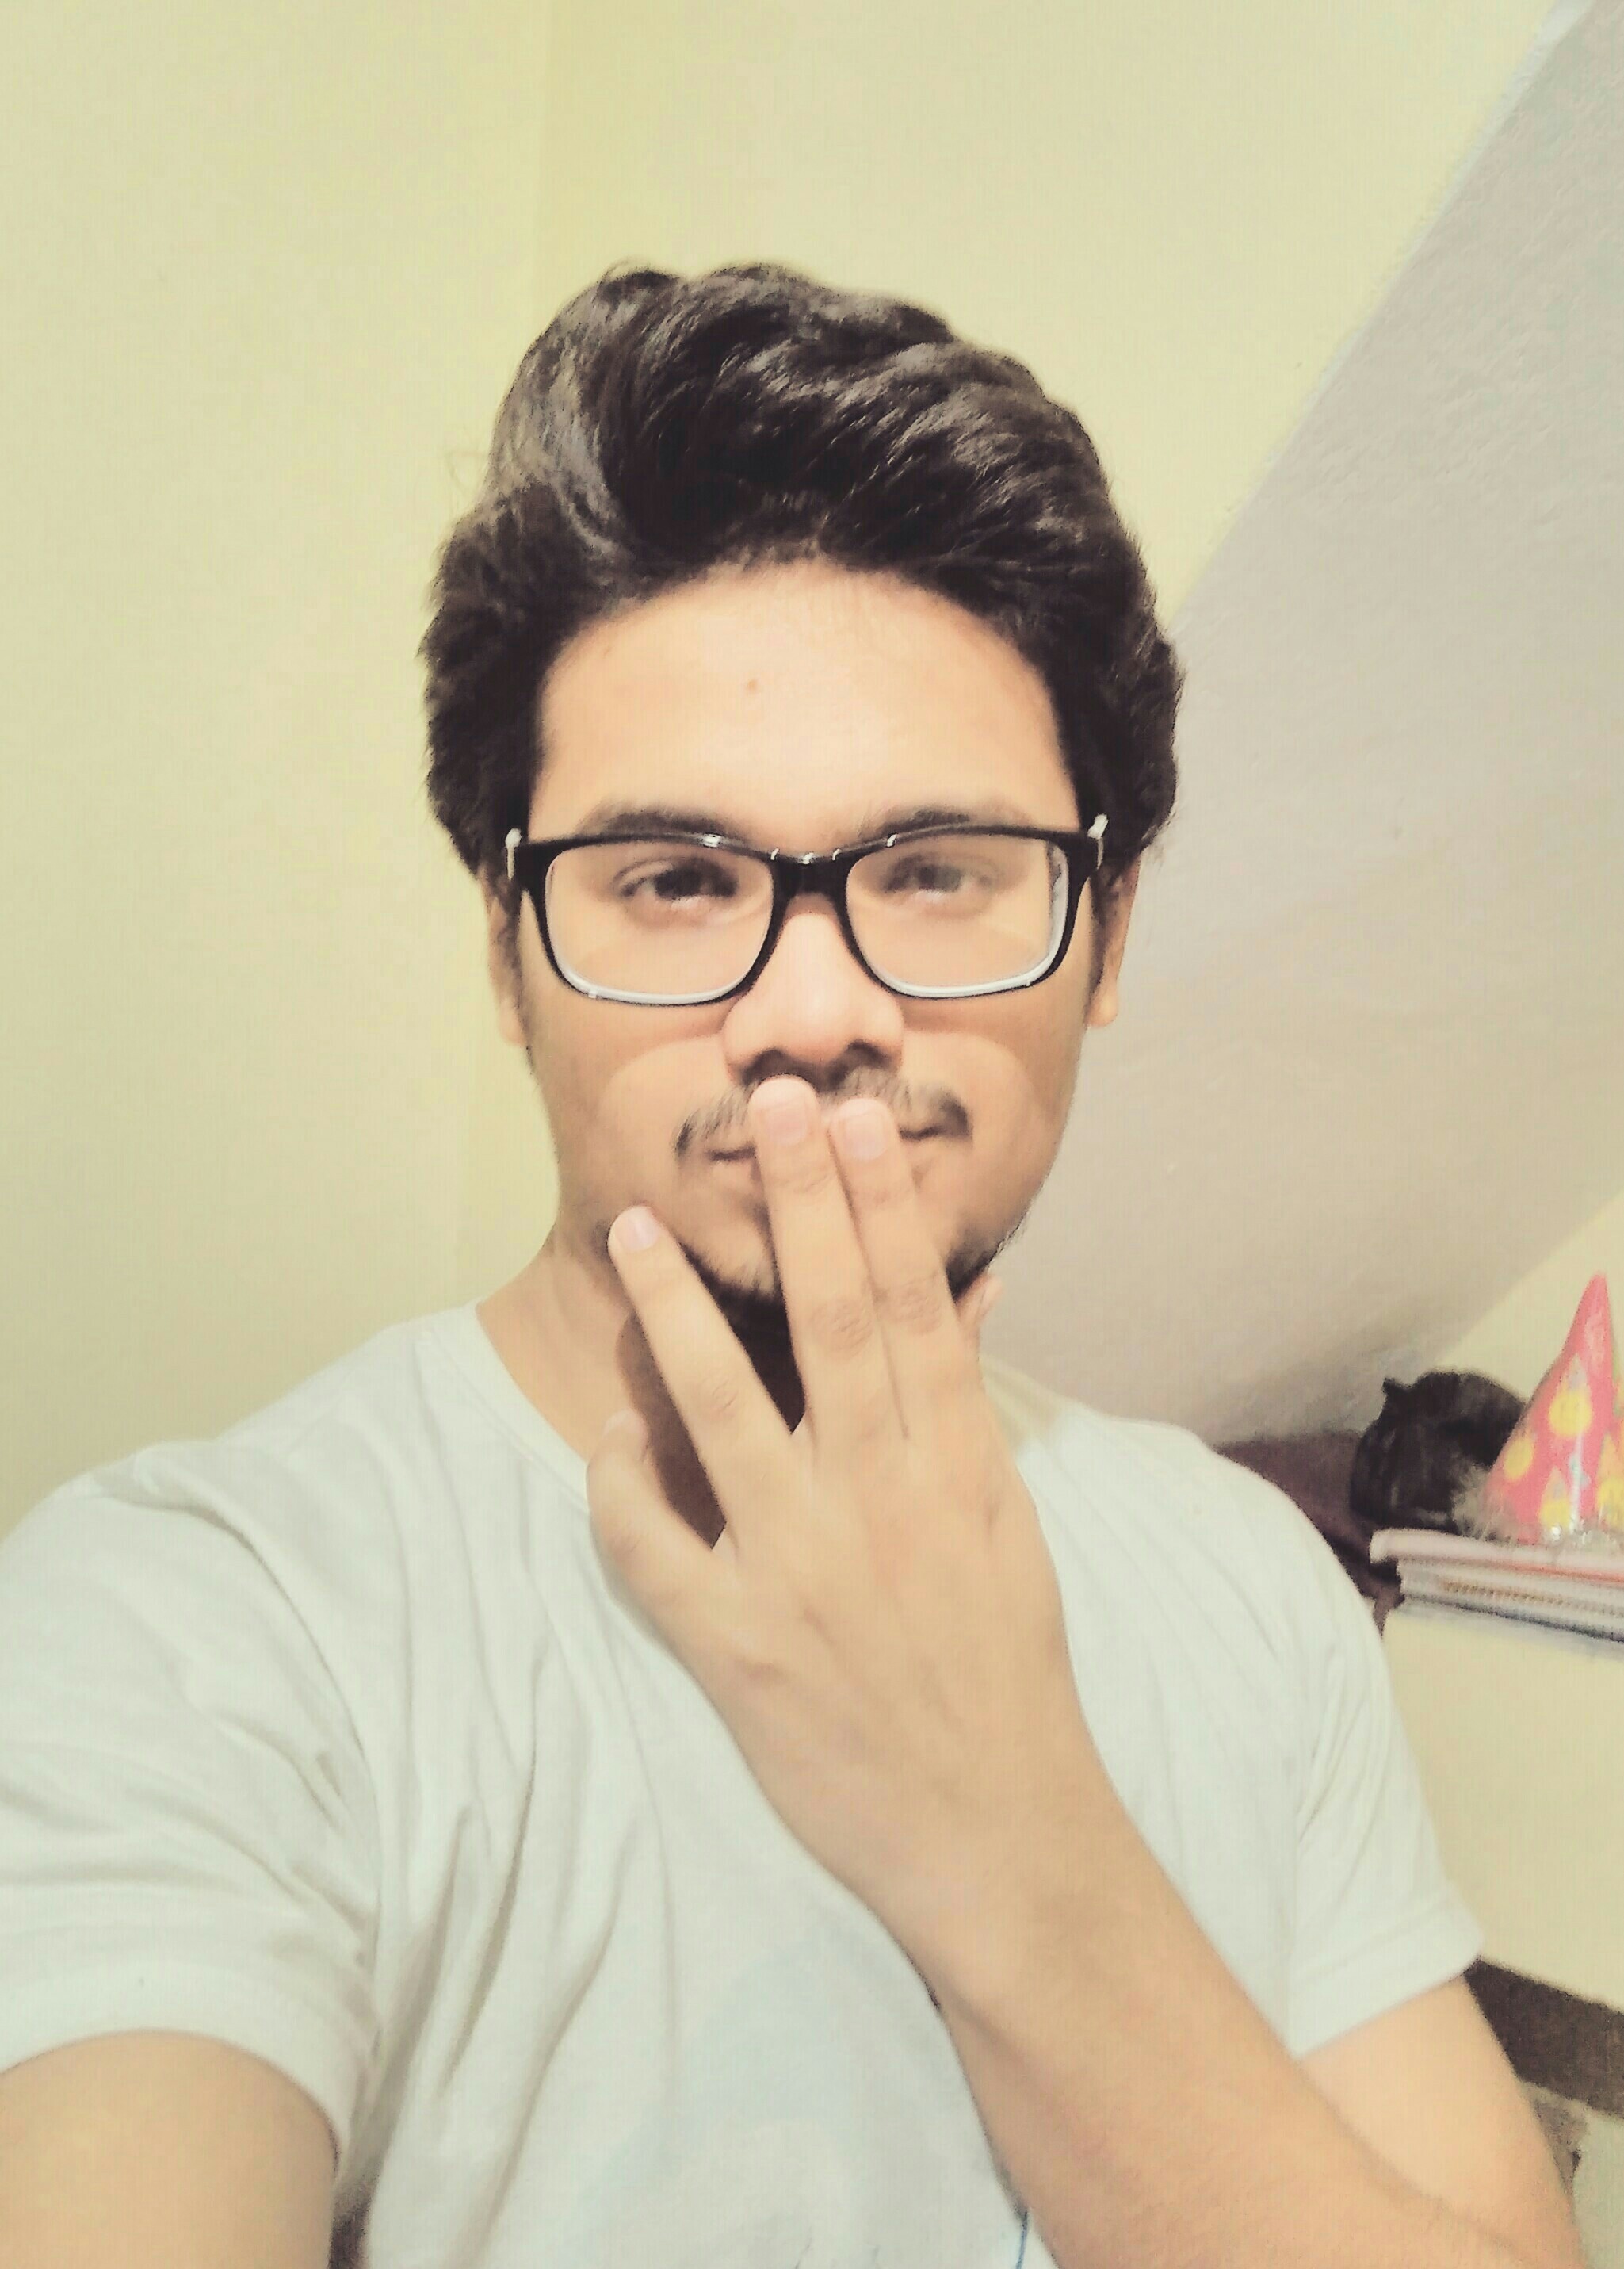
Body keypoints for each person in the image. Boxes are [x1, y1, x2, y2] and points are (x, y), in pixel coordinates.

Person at [0, 266, 1584, 2269]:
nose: (812, 1009)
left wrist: (1000, 1830)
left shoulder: (1247, 1585)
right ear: (507, 953)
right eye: (674, 881)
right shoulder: (202, 1625)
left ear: (1101, 938)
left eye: (934, 873)